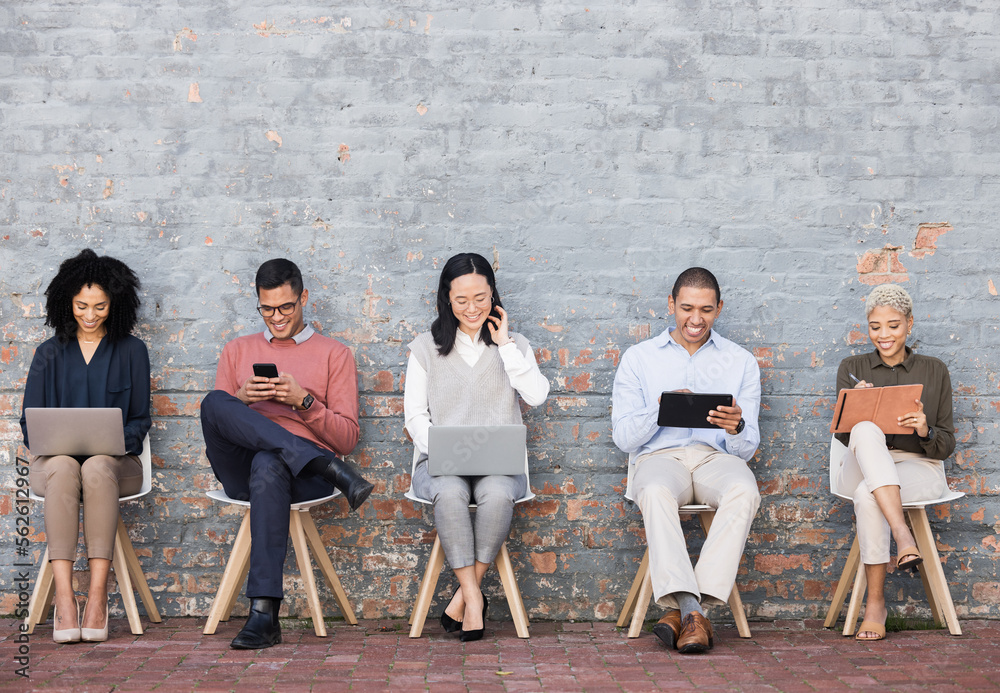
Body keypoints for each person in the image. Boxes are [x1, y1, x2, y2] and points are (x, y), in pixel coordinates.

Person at [199, 258, 373, 650]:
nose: (276, 317)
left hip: (300, 480)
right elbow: (222, 418)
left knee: (269, 461)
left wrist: (305, 402)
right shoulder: (236, 350)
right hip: (241, 467)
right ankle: (334, 471)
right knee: (215, 401)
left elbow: (346, 439)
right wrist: (241, 400)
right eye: (266, 308)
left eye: (286, 307)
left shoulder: (334, 354)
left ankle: (264, 615)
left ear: (303, 298)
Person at [611, 267, 761, 654]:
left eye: (707, 310)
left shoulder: (741, 361)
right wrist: (659, 408)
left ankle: (687, 611)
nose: (696, 320)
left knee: (745, 489)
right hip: (660, 457)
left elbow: (747, 450)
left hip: (715, 457)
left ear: (720, 308)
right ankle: (695, 612)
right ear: (671, 305)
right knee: (656, 490)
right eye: (687, 308)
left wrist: (737, 426)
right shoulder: (639, 358)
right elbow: (624, 438)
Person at [403, 252, 549, 642]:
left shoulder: (515, 345)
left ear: (493, 295)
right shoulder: (425, 348)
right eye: (462, 300)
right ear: (446, 299)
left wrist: (503, 346)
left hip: (499, 466)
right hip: (440, 464)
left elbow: (536, 396)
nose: (472, 308)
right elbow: (414, 416)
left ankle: (463, 598)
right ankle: (471, 595)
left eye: (481, 298)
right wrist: (444, 448)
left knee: (499, 494)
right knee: (449, 492)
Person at [21, 249, 151, 643]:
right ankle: (64, 599)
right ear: (66, 302)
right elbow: (30, 424)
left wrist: (112, 442)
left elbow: (142, 419)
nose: (90, 315)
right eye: (81, 306)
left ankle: (96, 597)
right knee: (62, 464)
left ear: (116, 304)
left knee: (95, 465)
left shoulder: (132, 351)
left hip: (117, 468)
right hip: (54, 469)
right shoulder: (48, 353)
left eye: (100, 306)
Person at [834, 284, 954, 642]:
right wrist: (856, 409)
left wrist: (924, 429)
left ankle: (875, 605)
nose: (883, 335)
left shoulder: (934, 371)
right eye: (875, 326)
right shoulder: (852, 367)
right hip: (863, 460)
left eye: (893, 325)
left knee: (869, 495)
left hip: (918, 465)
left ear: (909, 324)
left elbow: (946, 444)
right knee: (866, 428)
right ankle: (903, 534)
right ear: (867, 327)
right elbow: (844, 436)